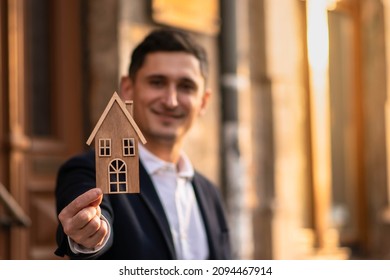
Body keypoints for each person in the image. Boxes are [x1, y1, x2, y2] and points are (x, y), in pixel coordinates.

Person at [54, 28, 231, 260]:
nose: (171, 101)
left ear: (204, 101)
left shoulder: (210, 193)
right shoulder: (90, 170)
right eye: (157, 82)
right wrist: (88, 235)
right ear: (128, 88)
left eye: (186, 86)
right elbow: (96, 221)